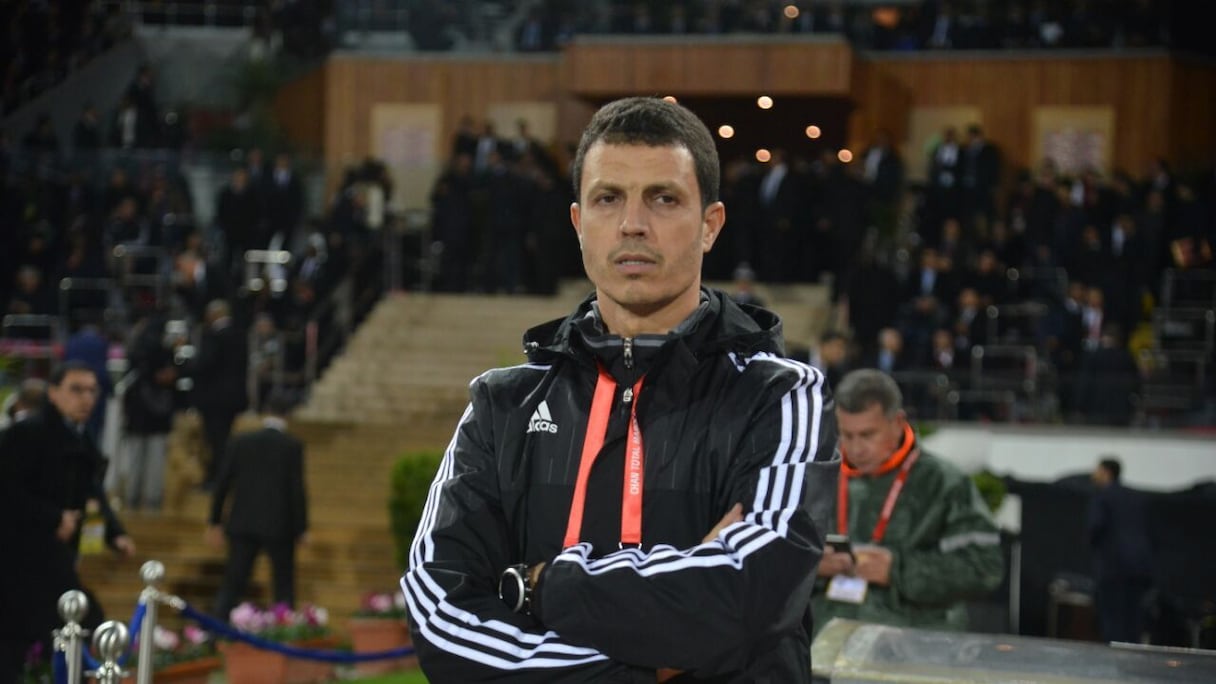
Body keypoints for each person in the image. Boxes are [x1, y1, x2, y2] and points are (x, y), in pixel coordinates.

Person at [400, 96, 839, 682]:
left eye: (663, 198)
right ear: (579, 223)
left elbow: (749, 597)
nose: (633, 223)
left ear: (710, 225)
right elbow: (441, 616)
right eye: (608, 198)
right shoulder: (502, 405)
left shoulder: (781, 396)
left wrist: (537, 587)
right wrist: (649, 667)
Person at [812, 368, 1003, 636]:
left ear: (898, 422)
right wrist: (811, 565)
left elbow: (984, 567)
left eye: (867, 435)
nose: (856, 448)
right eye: (847, 434)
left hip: (913, 643)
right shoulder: (822, 477)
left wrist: (897, 569)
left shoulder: (942, 482)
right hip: (826, 640)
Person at [0, 361, 136, 682]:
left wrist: (115, 534)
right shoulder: (25, 433)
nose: (86, 398)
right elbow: (7, 490)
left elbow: (92, 494)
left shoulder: (80, 436)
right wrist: (53, 517)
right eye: (76, 390)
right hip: (18, 558)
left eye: (92, 391)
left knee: (77, 622)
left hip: (54, 555)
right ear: (54, 393)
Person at [207, 390, 308, 621]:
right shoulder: (291, 446)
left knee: (232, 584)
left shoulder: (241, 442)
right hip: (280, 526)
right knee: (283, 586)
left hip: (242, 523)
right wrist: (301, 528)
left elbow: (222, 484)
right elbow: (296, 490)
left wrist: (214, 521)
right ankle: (285, 634)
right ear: (289, 415)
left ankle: (215, 632)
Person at [1087, 456, 1154, 644]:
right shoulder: (1136, 498)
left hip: (1112, 567)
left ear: (1106, 472)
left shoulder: (1102, 497)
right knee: (1133, 618)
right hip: (1140, 566)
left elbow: (1095, 527)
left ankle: (1115, 656)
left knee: (1112, 619)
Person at [189, 299, 249, 490]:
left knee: (216, 440)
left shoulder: (214, 336)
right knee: (223, 439)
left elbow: (205, 364)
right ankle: (221, 478)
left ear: (213, 315)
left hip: (214, 399)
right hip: (233, 398)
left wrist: (186, 367)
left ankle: (218, 480)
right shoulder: (240, 335)